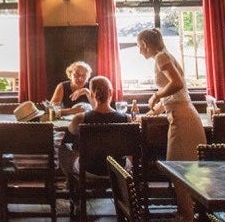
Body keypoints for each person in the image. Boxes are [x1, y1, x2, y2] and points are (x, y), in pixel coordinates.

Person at [138, 28, 206, 161]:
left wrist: (156, 95)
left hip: (183, 120)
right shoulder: (164, 56)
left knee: (179, 168)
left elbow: (177, 84)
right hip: (182, 116)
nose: (139, 51)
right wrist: (147, 116)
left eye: (139, 46)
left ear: (145, 44)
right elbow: (172, 98)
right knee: (180, 168)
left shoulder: (160, 57)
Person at [58, 76, 130, 176]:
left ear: (91, 94)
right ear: (111, 93)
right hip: (118, 169)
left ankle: (70, 182)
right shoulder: (126, 118)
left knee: (62, 148)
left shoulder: (80, 119)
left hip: (89, 169)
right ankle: (126, 184)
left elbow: (67, 141)